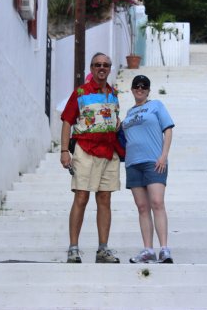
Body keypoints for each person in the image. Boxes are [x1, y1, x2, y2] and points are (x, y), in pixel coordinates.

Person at [60, 52, 124, 263]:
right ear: (91, 68)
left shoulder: (113, 94)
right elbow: (67, 121)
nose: (102, 68)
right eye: (97, 64)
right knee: (81, 197)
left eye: (106, 64)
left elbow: (115, 119)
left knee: (105, 198)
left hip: (109, 152)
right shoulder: (80, 92)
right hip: (85, 150)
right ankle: (73, 248)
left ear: (110, 68)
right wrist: (64, 151)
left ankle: (103, 249)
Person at [121, 75, 174, 263]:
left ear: (149, 90)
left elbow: (168, 129)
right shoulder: (128, 113)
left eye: (144, 86)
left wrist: (164, 155)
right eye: (136, 86)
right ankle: (148, 250)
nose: (140, 89)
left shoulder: (156, 105)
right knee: (142, 207)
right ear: (132, 89)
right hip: (133, 163)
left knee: (157, 202)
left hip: (154, 161)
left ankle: (164, 249)